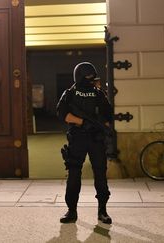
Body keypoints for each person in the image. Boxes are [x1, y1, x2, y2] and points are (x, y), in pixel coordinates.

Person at [56, 62, 113, 224]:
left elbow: (108, 117)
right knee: (74, 174)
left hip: (96, 139)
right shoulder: (70, 94)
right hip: (78, 137)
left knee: (100, 174)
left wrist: (100, 126)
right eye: (89, 77)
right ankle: (71, 211)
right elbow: (62, 114)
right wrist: (82, 122)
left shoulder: (99, 93)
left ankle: (102, 210)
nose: (92, 80)